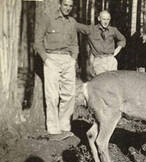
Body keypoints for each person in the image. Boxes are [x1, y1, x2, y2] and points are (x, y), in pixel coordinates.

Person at [34, 0, 78, 141]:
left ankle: (64, 127)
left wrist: (74, 59)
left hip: (67, 60)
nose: (67, 8)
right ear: (60, 5)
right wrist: (46, 59)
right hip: (51, 58)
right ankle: (53, 130)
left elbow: (75, 43)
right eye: (65, 5)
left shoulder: (72, 22)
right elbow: (38, 41)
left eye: (70, 6)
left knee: (69, 94)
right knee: (52, 96)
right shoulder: (48, 18)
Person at [75, 10, 126, 75]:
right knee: (102, 82)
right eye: (104, 19)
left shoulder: (113, 30)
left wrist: (117, 50)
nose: (106, 22)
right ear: (99, 18)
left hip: (111, 60)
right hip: (99, 61)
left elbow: (122, 39)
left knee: (112, 82)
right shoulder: (91, 29)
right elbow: (77, 26)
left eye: (108, 19)